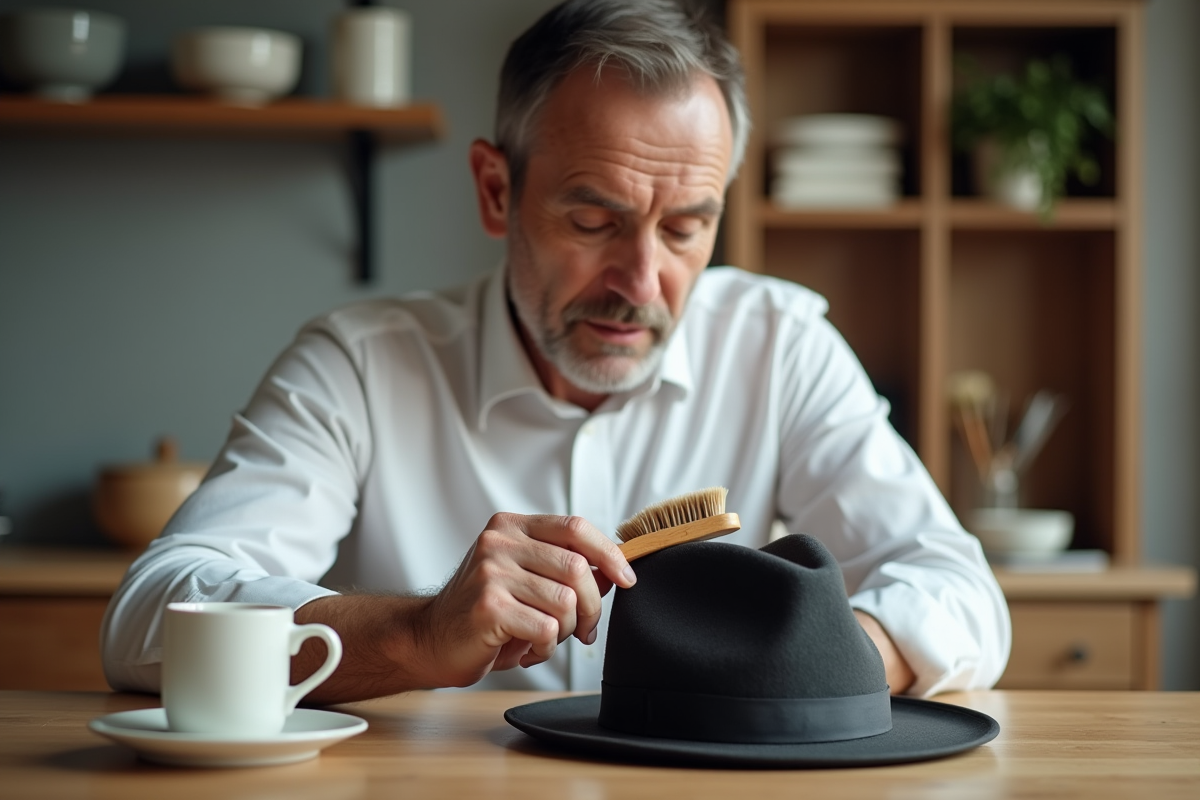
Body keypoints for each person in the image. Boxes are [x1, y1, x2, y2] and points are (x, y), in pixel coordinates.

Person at [101, 0, 1010, 703]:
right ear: (497, 191)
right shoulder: (359, 367)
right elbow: (152, 616)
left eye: (685, 228)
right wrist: (416, 635)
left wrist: (810, 662)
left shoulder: (782, 347)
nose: (642, 281)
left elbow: (960, 590)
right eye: (593, 220)